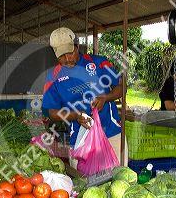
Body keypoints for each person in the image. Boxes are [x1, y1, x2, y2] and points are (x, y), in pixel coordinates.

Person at [42, 27, 127, 167]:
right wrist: (76, 115)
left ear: (77, 46)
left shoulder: (98, 63)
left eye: (70, 53)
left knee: (120, 176)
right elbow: (52, 113)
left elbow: (122, 87)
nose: (67, 59)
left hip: (111, 134)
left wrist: (105, 97)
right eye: (61, 56)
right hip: (79, 140)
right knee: (84, 184)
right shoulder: (53, 77)